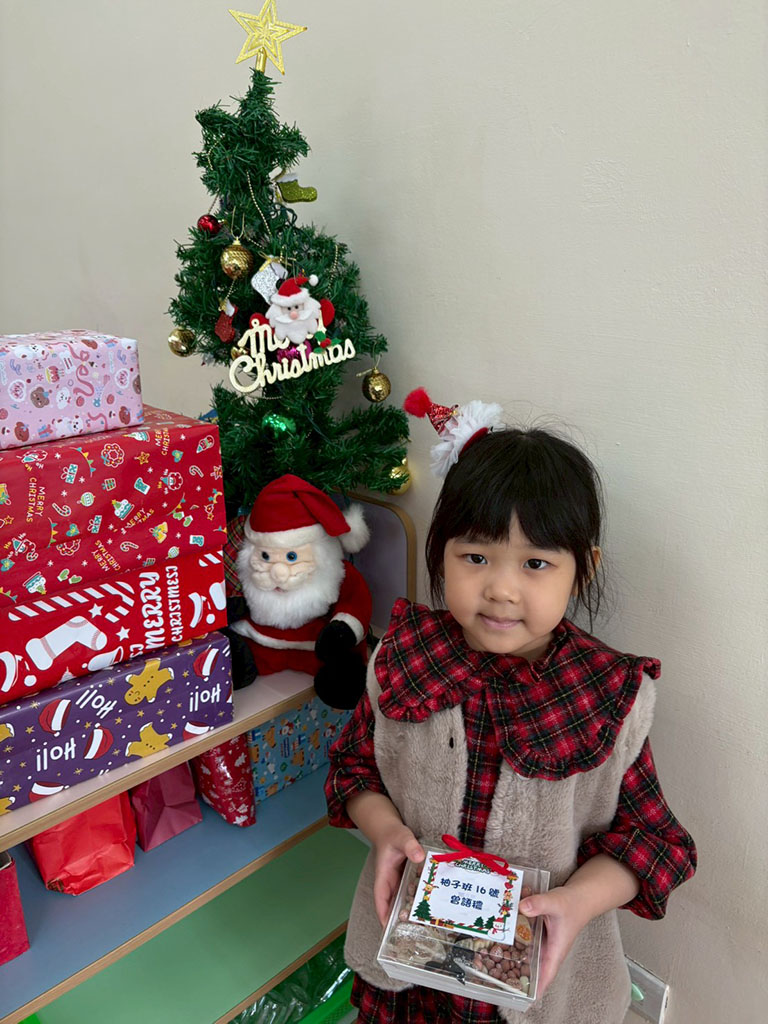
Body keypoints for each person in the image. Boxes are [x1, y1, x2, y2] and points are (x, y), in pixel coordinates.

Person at [325, 389, 697, 1024]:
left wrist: (577, 902)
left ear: (582, 569)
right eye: (475, 557)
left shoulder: (607, 696)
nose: (500, 588)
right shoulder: (404, 658)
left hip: (534, 990)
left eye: (535, 563)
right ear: (440, 551)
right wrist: (385, 832)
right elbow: (354, 769)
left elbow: (656, 843)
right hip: (407, 973)